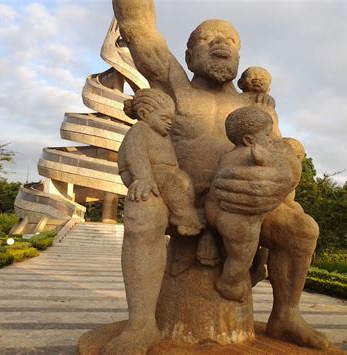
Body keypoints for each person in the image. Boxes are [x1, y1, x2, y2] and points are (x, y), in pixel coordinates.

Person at [110, 0, 329, 352]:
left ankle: (286, 315)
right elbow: (137, 25)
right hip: (178, 200)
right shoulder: (174, 87)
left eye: (230, 39)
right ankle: (141, 325)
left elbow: (282, 158)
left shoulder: (255, 108)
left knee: (301, 230)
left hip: (240, 203)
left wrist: (281, 181)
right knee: (142, 211)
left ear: (239, 56)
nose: (220, 43)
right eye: (207, 38)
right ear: (189, 54)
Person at [205, 106, 292, 303]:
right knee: (241, 257)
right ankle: (229, 284)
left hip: (220, 213)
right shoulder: (255, 153)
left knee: (237, 254)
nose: (270, 140)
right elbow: (279, 169)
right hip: (241, 220)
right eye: (267, 135)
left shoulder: (226, 157)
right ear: (249, 140)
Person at [118, 88, 204, 237]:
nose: (169, 123)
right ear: (144, 114)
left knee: (185, 181)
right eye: (165, 119)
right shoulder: (140, 129)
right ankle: (185, 217)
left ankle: (181, 212)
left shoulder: (164, 136)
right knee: (169, 181)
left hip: (168, 174)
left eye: (171, 119)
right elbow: (136, 155)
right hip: (148, 173)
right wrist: (143, 177)